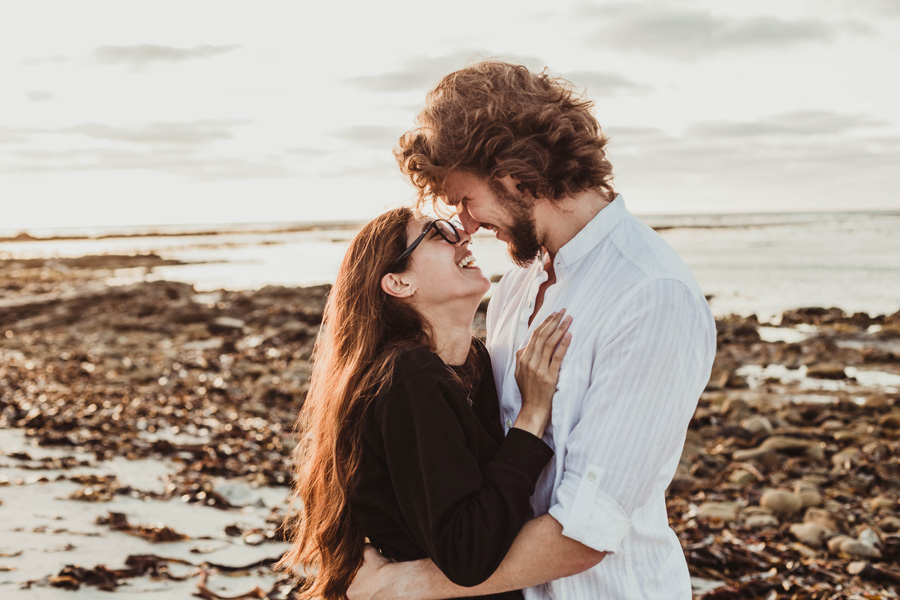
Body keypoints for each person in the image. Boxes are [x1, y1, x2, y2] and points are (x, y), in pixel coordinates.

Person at [347, 61, 717, 599]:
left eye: (465, 199)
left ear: (515, 174)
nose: (467, 225)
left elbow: (587, 532)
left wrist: (408, 583)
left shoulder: (651, 295)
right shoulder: (519, 282)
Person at [277, 206, 573, 600]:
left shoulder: (471, 363)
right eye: (438, 233)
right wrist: (532, 414)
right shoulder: (409, 377)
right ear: (399, 283)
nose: (464, 236)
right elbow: (467, 552)